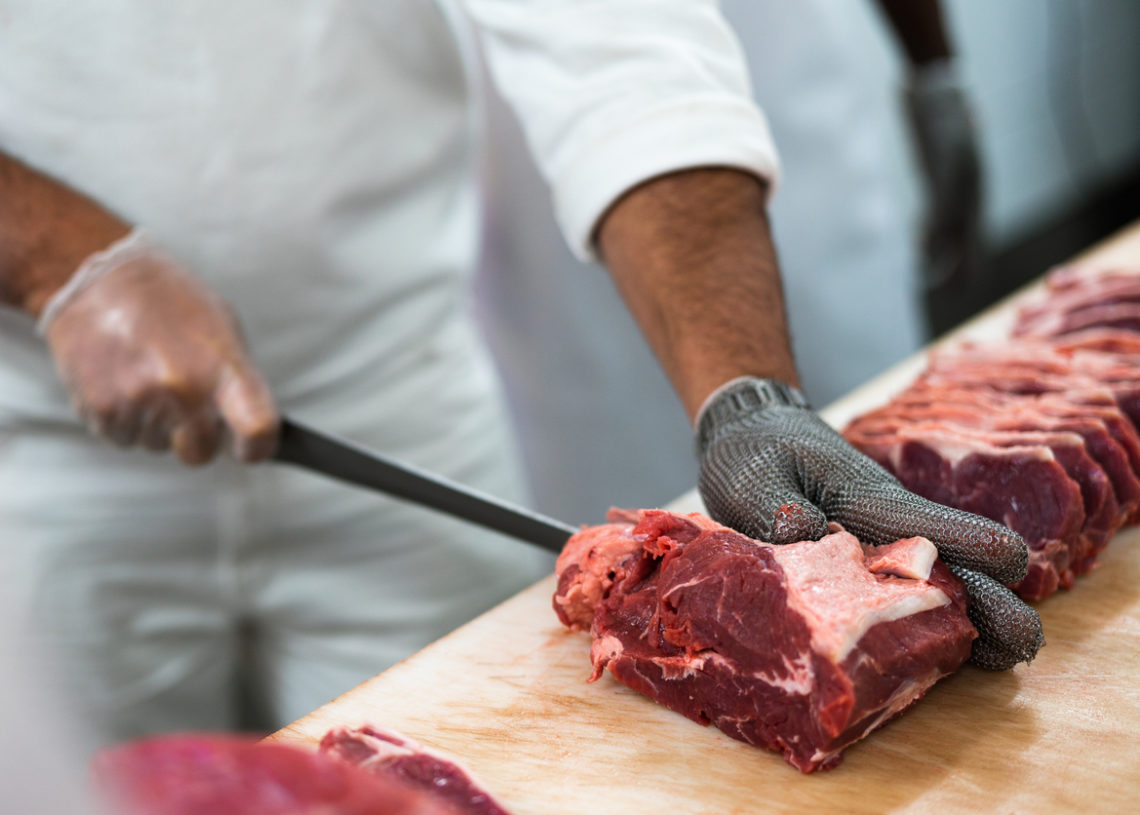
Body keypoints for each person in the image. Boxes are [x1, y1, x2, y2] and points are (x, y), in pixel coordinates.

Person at [0, 0, 1036, 744]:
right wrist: (59, 263)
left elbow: (620, 49)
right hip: (44, 451)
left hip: (395, 385)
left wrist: (746, 394)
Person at [475, 0, 982, 522]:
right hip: (561, 221)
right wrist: (750, 406)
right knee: (638, 546)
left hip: (806, 131)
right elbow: (620, 65)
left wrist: (935, 72)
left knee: (901, 479)